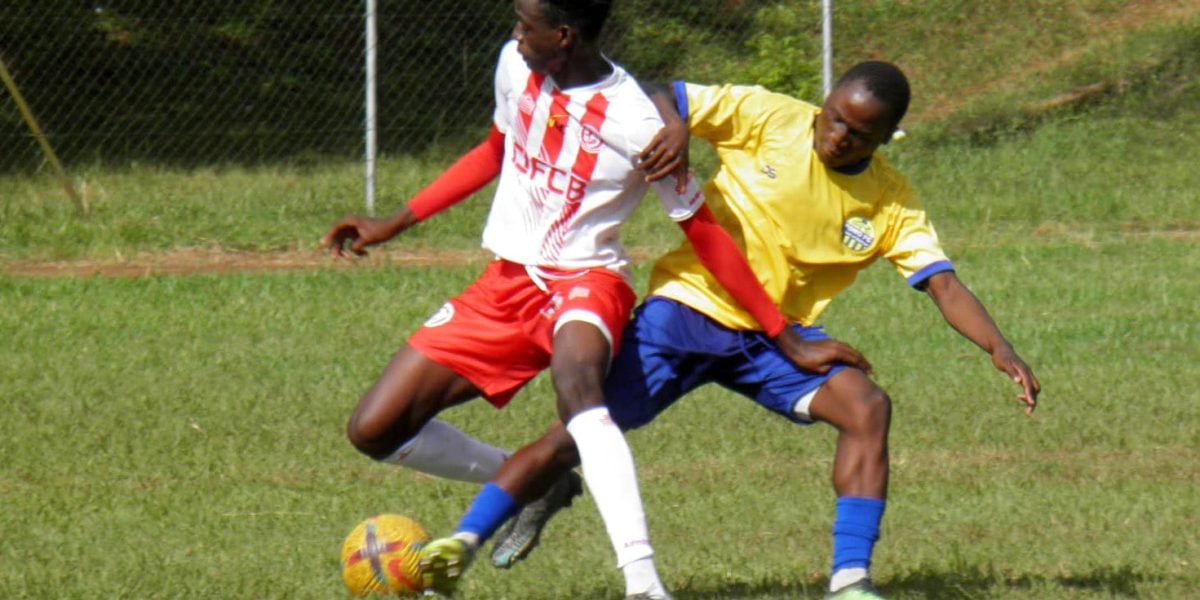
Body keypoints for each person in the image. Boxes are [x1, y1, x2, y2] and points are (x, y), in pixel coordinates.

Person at [424, 61, 1041, 600]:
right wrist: (675, 130)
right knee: (577, 434)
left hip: (777, 341)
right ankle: (466, 540)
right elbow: (669, 94)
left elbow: (944, 283)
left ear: (885, 139)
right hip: (684, 314)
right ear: (824, 105)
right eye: (834, 119)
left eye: (859, 134)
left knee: (867, 407)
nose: (837, 136)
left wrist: (1000, 347)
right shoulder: (771, 115)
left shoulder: (890, 201)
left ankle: (850, 581)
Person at [322, 1, 861, 599]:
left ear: (564, 35)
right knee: (375, 429)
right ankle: (538, 481)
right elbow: (496, 150)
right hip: (507, 283)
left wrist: (782, 334)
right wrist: (395, 222)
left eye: (526, 25)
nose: (514, 34)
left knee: (580, 393)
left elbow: (704, 232)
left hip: (587, 280)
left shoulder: (635, 122)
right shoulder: (515, 65)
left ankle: (644, 585)